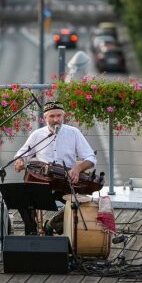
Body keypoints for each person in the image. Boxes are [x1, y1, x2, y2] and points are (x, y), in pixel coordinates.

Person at [14, 101, 97, 235]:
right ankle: (32, 234)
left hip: (65, 182)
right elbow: (22, 154)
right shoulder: (38, 134)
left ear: (64, 116)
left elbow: (91, 158)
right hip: (42, 181)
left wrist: (77, 167)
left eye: (59, 116)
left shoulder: (73, 133)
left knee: (80, 203)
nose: (56, 120)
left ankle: (52, 224)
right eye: (52, 116)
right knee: (22, 199)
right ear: (45, 118)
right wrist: (19, 161)